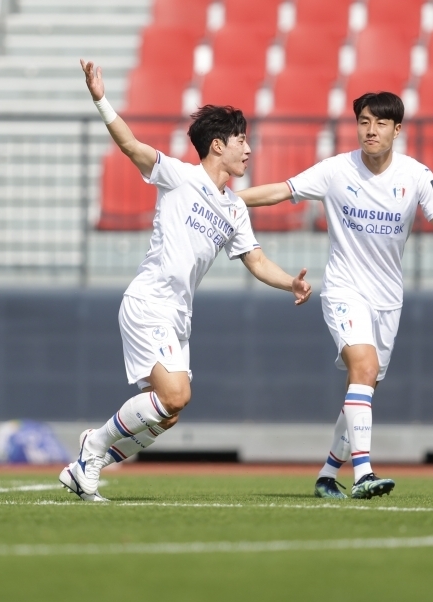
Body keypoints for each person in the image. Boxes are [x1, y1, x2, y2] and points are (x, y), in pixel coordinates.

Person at [58, 60, 312, 501]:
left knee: (168, 415)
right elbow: (133, 147)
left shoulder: (234, 208)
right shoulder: (180, 177)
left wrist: (290, 282)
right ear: (218, 146)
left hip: (178, 315)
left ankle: (90, 463)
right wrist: (100, 99)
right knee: (176, 396)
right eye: (241, 141)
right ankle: (93, 446)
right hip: (148, 301)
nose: (249, 150)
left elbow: (255, 260)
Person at [239, 91, 433, 499]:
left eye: (381, 123)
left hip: (388, 299)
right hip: (343, 289)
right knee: (364, 369)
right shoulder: (336, 170)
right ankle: (364, 473)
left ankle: (327, 473)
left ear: (397, 129)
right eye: (364, 122)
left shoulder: (416, 175)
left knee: (364, 385)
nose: (371, 130)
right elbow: (282, 191)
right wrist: (225, 198)